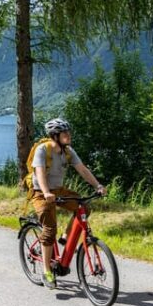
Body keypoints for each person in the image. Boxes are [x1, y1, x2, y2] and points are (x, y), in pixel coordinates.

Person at [31, 118, 104, 289]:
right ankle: (46, 271)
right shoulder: (43, 150)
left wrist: (98, 185)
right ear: (55, 136)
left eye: (68, 132)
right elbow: (40, 173)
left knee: (83, 207)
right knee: (49, 230)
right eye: (65, 133)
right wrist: (46, 192)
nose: (68, 135)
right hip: (41, 192)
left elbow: (83, 170)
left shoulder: (68, 151)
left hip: (58, 190)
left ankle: (65, 236)